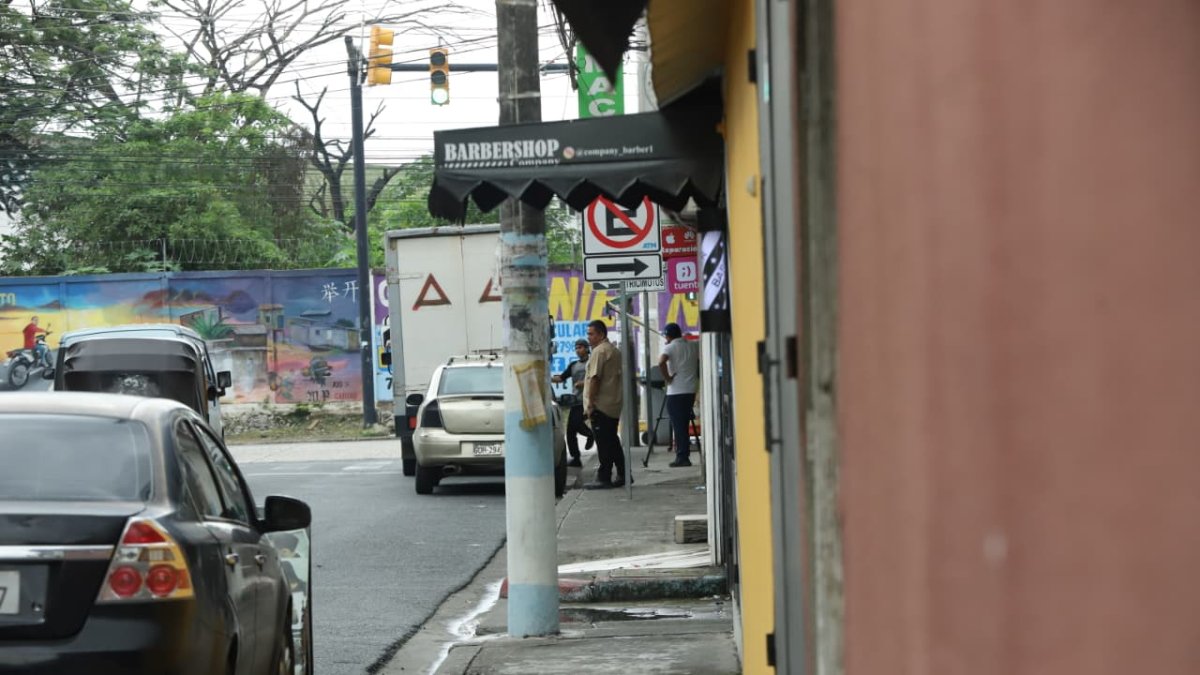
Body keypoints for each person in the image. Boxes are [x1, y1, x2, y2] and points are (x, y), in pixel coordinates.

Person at [582, 319, 627, 489]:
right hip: (613, 403)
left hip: (600, 405)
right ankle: (623, 473)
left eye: (591, 334)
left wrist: (590, 404)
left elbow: (595, 378)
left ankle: (604, 476)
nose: (589, 337)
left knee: (604, 443)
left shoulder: (599, 352)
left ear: (601, 334)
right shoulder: (613, 350)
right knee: (612, 441)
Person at [659, 323, 700, 467]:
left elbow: (661, 362)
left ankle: (682, 457)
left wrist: (667, 378)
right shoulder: (693, 346)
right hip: (690, 390)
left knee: (678, 425)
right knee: (684, 423)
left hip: (676, 391)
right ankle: (683, 454)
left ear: (668, 336)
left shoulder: (669, 347)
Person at [550, 338, 594, 467]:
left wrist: (584, 383)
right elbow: (561, 378)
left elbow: (597, 379)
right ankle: (576, 457)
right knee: (570, 431)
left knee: (577, 424)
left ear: (586, 348)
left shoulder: (592, 363)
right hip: (576, 401)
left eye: (580, 347)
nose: (577, 350)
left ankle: (590, 434)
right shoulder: (573, 365)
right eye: (576, 348)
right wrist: (547, 378)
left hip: (588, 400)